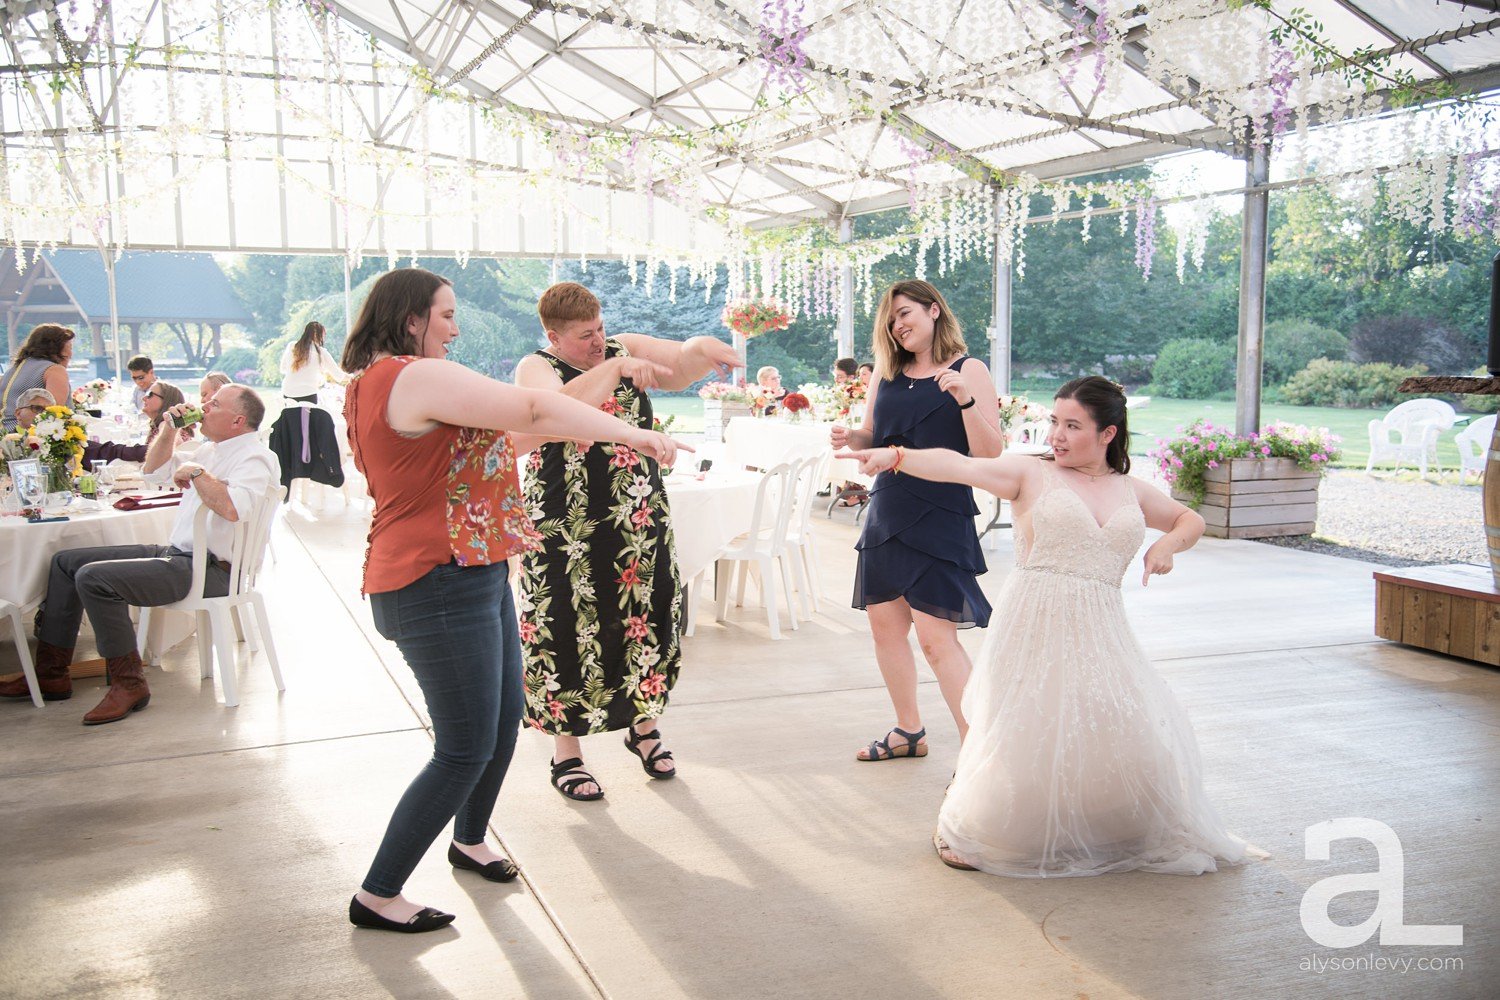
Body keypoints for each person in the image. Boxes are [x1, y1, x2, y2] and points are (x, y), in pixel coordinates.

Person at [342, 269, 684, 935]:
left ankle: (470, 841)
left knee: (500, 725)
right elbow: (530, 409)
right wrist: (635, 435)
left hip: (472, 572)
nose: (455, 327)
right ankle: (378, 893)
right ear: (412, 319)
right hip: (432, 581)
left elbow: (519, 436)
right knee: (464, 747)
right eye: (444, 314)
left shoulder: (403, 382)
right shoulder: (406, 376)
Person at [840, 376, 1257, 877]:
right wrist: (899, 457)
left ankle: (1100, 822)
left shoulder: (1132, 489)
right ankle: (989, 823)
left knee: (1106, 718)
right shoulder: (1030, 474)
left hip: (1104, 625)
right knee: (1026, 721)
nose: (1056, 435)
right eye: (1054, 421)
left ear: (1107, 433)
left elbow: (1189, 519)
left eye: (1072, 425)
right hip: (1036, 617)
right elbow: (962, 465)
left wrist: (1163, 546)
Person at [514, 282, 739, 802]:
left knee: (646, 614)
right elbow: (550, 413)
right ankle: (566, 754)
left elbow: (678, 366)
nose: (599, 342)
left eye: (601, 330)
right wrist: (611, 369)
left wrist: (702, 348)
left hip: (636, 516)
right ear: (553, 335)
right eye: (585, 336)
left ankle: (643, 728)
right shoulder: (537, 368)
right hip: (566, 525)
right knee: (566, 626)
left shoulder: (623, 345)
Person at [0, 385, 278, 723]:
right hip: (180, 555)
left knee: (95, 579)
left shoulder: (255, 457)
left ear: (238, 420)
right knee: (66, 561)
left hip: (212, 570)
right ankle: (51, 673)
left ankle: (129, 683)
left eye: (214, 403)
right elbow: (152, 472)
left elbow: (233, 508)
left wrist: (195, 472)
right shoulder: (210, 449)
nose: (203, 406)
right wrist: (169, 431)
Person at [830, 279, 1002, 763]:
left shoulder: (970, 369)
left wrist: (965, 400)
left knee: (936, 640)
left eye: (905, 313)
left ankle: (977, 752)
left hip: (941, 513)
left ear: (933, 311)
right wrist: (853, 438)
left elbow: (990, 453)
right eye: (891, 319)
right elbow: (875, 436)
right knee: (886, 630)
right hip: (888, 511)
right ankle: (909, 731)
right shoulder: (884, 374)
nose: (898, 325)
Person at [13, 388, 146, 464]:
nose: (45, 416)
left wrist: (151, 449)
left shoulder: (63, 442)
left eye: (50, 412)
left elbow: (106, 452)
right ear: (18, 413)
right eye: (37, 409)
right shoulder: (7, 445)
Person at [3, 324, 74, 431]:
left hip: (5, 434)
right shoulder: (53, 370)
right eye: (69, 347)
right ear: (57, 348)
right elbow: (53, 413)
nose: (71, 353)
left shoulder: (12, 370)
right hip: (29, 439)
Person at [280, 321, 344, 404]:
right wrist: (354, 377)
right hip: (308, 395)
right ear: (319, 335)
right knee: (311, 416)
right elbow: (339, 376)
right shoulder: (321, 353)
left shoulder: (292, 346)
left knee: (293, 416)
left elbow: (283, 369)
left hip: (288, 394)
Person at [143, 380, 194, 446]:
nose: (144, 398)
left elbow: (176, 445)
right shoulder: (156, 426)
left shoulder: (167, 426)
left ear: (166, 400)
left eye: (150, 394)